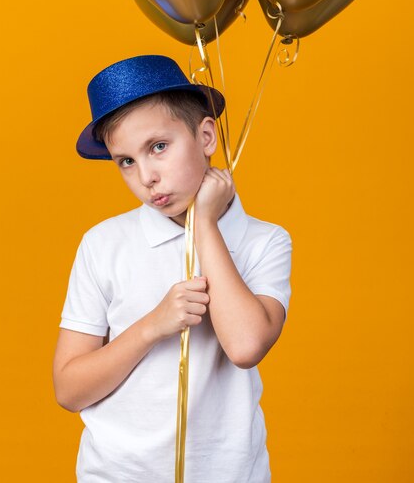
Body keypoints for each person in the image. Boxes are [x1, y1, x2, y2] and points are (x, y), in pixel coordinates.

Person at [52, 55, 292, 483]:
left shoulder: (265, 240)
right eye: (125, 161)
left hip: (228, 474)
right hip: (117, 474)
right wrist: (153, 325)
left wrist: (204, 225)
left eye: (158, 147)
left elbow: (245, 346)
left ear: (205, 136)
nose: (146, 176)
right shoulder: (103, 245)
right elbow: (69, 390)